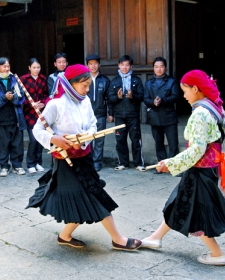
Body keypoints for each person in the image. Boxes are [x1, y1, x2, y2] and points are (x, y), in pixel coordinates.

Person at [27, 64, 142, 251]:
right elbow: (37, 130)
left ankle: (65, 236)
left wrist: (84, 138)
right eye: (84, 85)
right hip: (66, 162)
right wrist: (54, 139)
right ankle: (118, 239)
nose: (87, 89)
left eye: (89, 85)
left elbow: (93, 125)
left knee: (87, 197)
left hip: (84, 158)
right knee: (94, 195)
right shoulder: (55, 104)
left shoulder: (85, 100)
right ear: (71, 84)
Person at [141, 70, 225, 266]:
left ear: (195, 89)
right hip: (207, 168)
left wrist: (170, 163)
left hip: (200, 171)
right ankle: (155, 237)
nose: (184, 96)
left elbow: (197, 149)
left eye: (185, 91)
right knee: (178, 202)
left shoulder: (201, 112)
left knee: (197, 213)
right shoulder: (214, 106)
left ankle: (217, 254)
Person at [0, 57, 27, 177]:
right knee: (3, 144)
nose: (7, 68)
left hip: (15, 117)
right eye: (4, 66)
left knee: (17, 144)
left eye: (8, 66)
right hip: (0, 118)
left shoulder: (15, 80)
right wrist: (4, 97)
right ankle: (4, 166)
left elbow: (22, 97)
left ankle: (17, 165)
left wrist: (13, 98)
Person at [108, 55, 145, 172]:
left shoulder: (136, 80)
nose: (124, 67)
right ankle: (123, 163)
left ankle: (138, 163)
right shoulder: (115, 81)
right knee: (120, 139)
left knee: (135, 139)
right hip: (119, 114)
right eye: (122, 65)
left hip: (132, 114)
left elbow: (141, 96)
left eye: (127, 65)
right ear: (119, 65)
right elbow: (110, 98)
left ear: (131, 66)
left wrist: (132, 96)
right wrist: (117, 99)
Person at [143, 57, 180, 174]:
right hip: (155, 116)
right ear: (153, 68)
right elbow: (145, 98)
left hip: (169, 116)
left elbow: (176, 97)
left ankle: (174, 167)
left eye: (161, 66)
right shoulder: (149, 83)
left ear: (165, 68)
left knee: (173, 143)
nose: (159, 69)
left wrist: (162, 100)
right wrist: (153, 102)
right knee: (159, 143)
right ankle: (161, 166)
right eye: (156, 67)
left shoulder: (172, 81)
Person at [20, 58, 48, 174]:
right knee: (33, 139)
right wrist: (31, 104)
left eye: (38, 67)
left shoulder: (43, 79)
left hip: (41, 112)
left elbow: (46, 94)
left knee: (40, 138)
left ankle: (38, 162)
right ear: (29, 68)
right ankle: (30, 163)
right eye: (34, 67)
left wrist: (43, 103)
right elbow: (21, 97)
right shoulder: (23, 79)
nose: (36, 70)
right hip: (29, 113)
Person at [85, 54, 112, 172]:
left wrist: (110, 113)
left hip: (100, 113)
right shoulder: (84, 79)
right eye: (91, 64)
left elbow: (109, 98)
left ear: (99, 65)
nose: (93, 66)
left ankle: (97, 163)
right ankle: (88, 162)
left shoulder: (105, 80)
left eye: (95, 63)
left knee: (99, 139)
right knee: (88, 139)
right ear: (87, 65)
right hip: (86, 114)